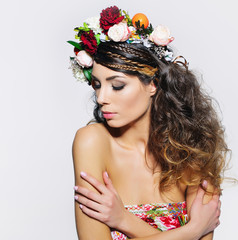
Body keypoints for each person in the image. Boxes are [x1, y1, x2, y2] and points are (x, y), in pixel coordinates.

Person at [68, 6, 226, 240]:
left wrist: (123, 220)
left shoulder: (192, 148)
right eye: (98, 85)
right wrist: (193, 231)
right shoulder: (91, 141)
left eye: (117, 85)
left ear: (153, 84)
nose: (101, 98)